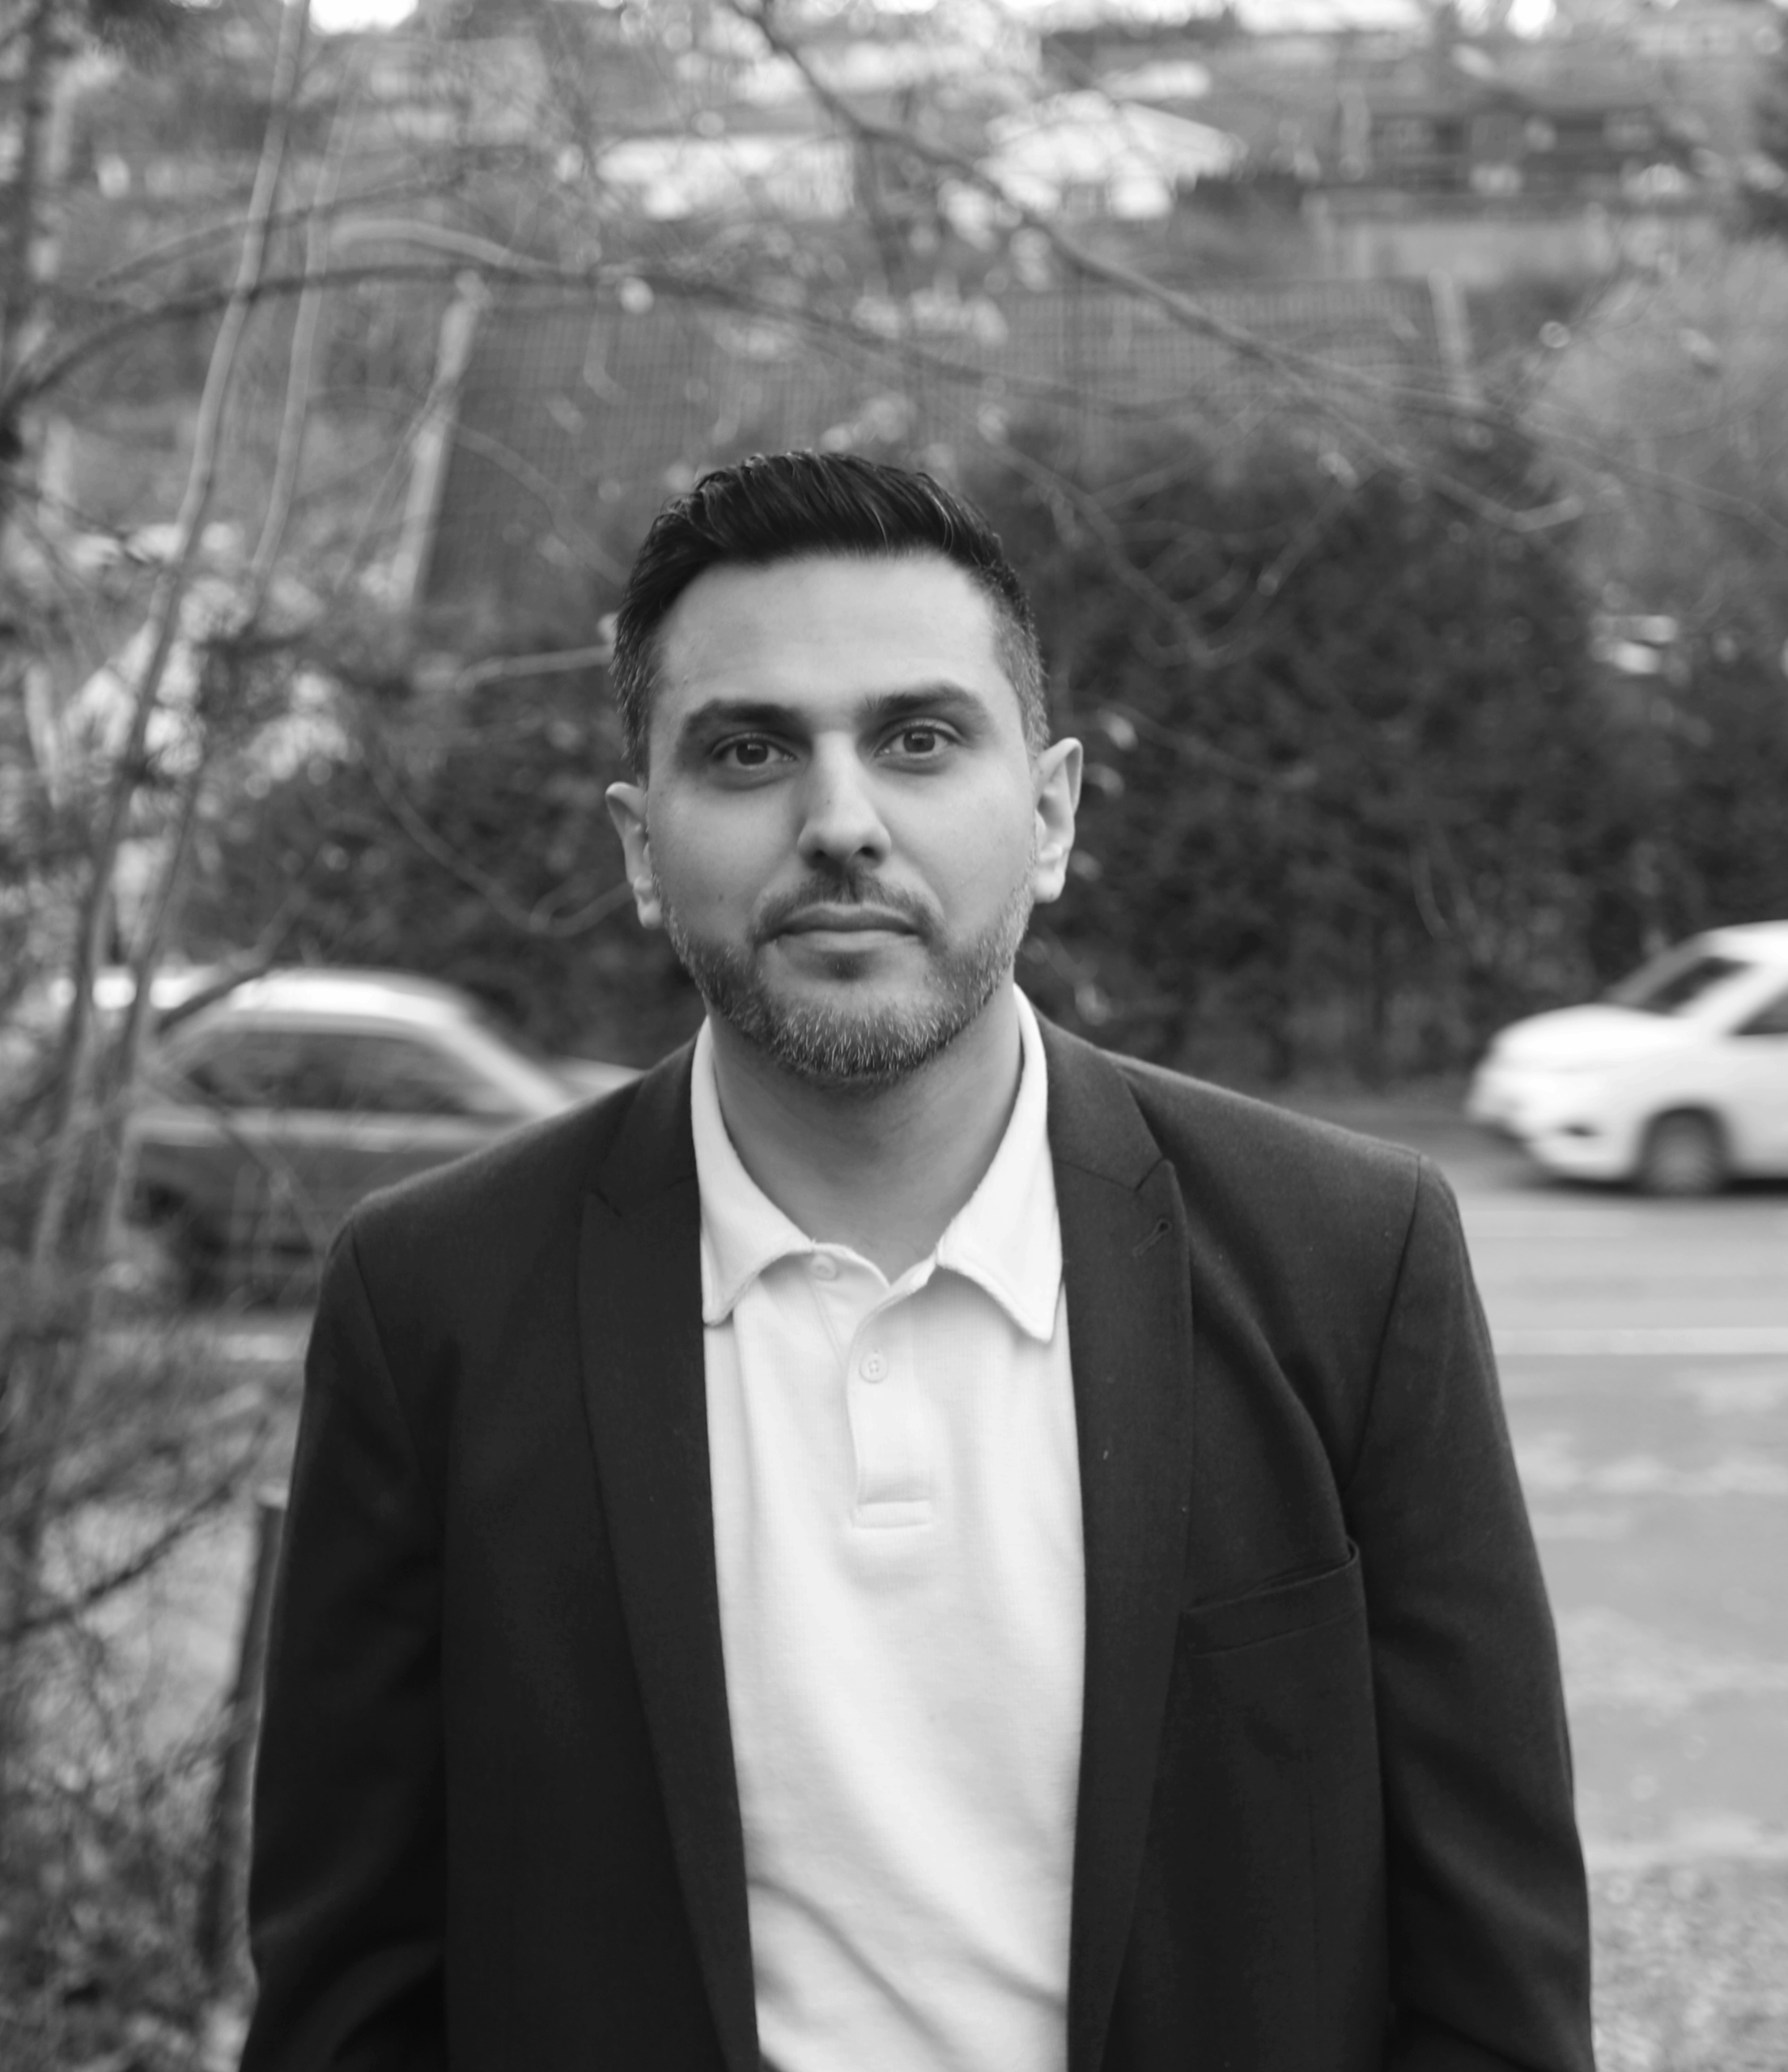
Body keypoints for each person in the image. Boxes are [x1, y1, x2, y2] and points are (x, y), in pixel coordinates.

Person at [241, 451, 1593, 2072]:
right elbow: (351, 1996)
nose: (841, 824)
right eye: (749, 750)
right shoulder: (432, 1305)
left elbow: (1496, 1986)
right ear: (641, 844)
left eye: (920, 738)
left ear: (1051, 812)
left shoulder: (1349, 1261)